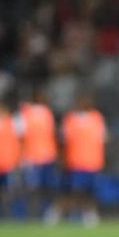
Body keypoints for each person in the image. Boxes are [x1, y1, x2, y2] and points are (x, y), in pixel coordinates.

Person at [60, 95, 107, 228]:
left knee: (90, 190)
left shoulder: (97, 118)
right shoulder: (70, 119)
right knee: (75, 190)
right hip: (75, 161)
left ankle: (89, 213)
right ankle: (73, 212)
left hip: (93, 161)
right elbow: (64, 140)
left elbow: (102, 140)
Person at [16, 90, 60, 221]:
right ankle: (28, 214)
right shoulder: (25, 113)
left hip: (47, 156)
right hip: (32, 158)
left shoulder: (47, 112)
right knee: (31, 188)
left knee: (47, 187)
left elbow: (51, 135)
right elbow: (20, 137)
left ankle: (46, 213)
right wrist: (22, 156)